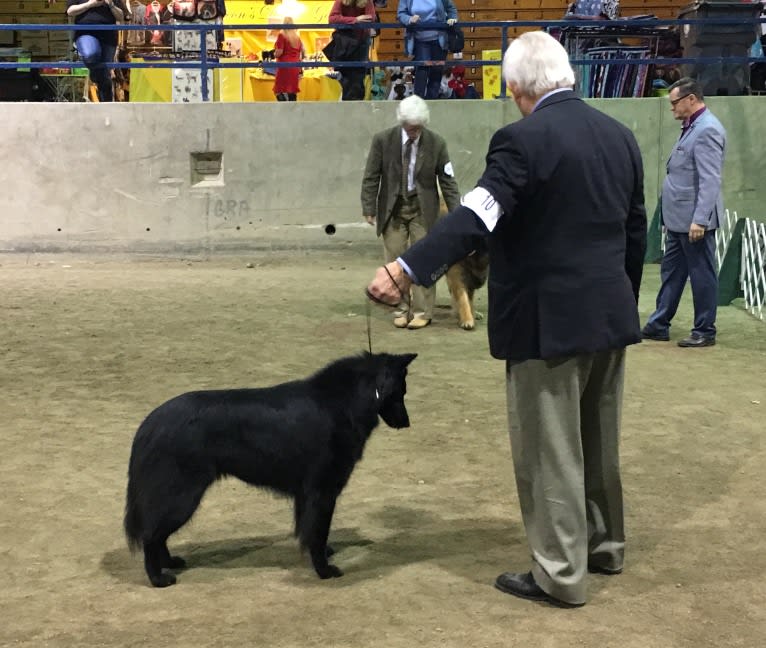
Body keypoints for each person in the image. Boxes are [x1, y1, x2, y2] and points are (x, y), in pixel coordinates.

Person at [366, 31, 647, 607]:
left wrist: (406, 269)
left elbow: (475, 216)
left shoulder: (520, 142)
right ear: (566, 75)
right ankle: (605, 546)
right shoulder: (621, 137)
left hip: (547, 324)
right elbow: (635, 229)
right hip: (608, 313)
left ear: (516, 88)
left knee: (552, 452)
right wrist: (622, 298)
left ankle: (560, 575)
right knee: (598, 441)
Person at [361, 94, 460, 329]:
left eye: (417, 128)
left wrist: (457, 214)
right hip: (392, 209)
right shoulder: (382, 140)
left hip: (423, 210)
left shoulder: (437, 143)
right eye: (409, 127)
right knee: (395, 260)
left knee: (423, 260)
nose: (413, 131)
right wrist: (368, 206)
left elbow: (448, 181)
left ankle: (423, 311)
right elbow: (371, 175)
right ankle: (401, 308)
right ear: (401, 122)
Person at [641, 77, 726, 348]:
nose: (672, 108)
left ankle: (704, 330)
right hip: (679, 219)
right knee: (672, 273)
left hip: (694, 221)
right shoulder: (692, 126)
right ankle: (659, 324)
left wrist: (700, 219)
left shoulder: (707, 130)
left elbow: (710, 179)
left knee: (701, 275)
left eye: (674, 102)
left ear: (691, 99)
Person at [396, 0, 457, 99]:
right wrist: (409, 19)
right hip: (420, 40)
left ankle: (431, 104)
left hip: (439, 40)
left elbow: (451, 8)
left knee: (436, 73)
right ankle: (418, 103)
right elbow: (401, 14)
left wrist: (452, 18)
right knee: (422, 72)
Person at [66, 0, 125, 102]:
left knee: (105, 74)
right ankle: (94, 73)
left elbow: (121, 16)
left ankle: (106, 107)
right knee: (90, 55)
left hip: (108, 37)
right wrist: (90, 4)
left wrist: (111, 5)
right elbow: (70, 11)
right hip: (86, 32)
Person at [329, 0, 375, 101]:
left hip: (360, 44)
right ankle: (349, 105)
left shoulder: (367, 1)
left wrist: (345, 20)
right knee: (346, 77)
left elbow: (371, 17)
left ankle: (355, 105)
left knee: (358, 78)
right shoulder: (340, 1)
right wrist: (355, 19)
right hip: (345, 45)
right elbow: (332, 18)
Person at [273, 17, 304, 102]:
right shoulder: (297, 37)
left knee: (278, 91)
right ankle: (292, 111)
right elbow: (303, 52)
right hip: (295, 67)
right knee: (292, 92)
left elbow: (279, 52)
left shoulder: (282, 35)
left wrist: (274, 54)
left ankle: (283, 110)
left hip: (284, 66)